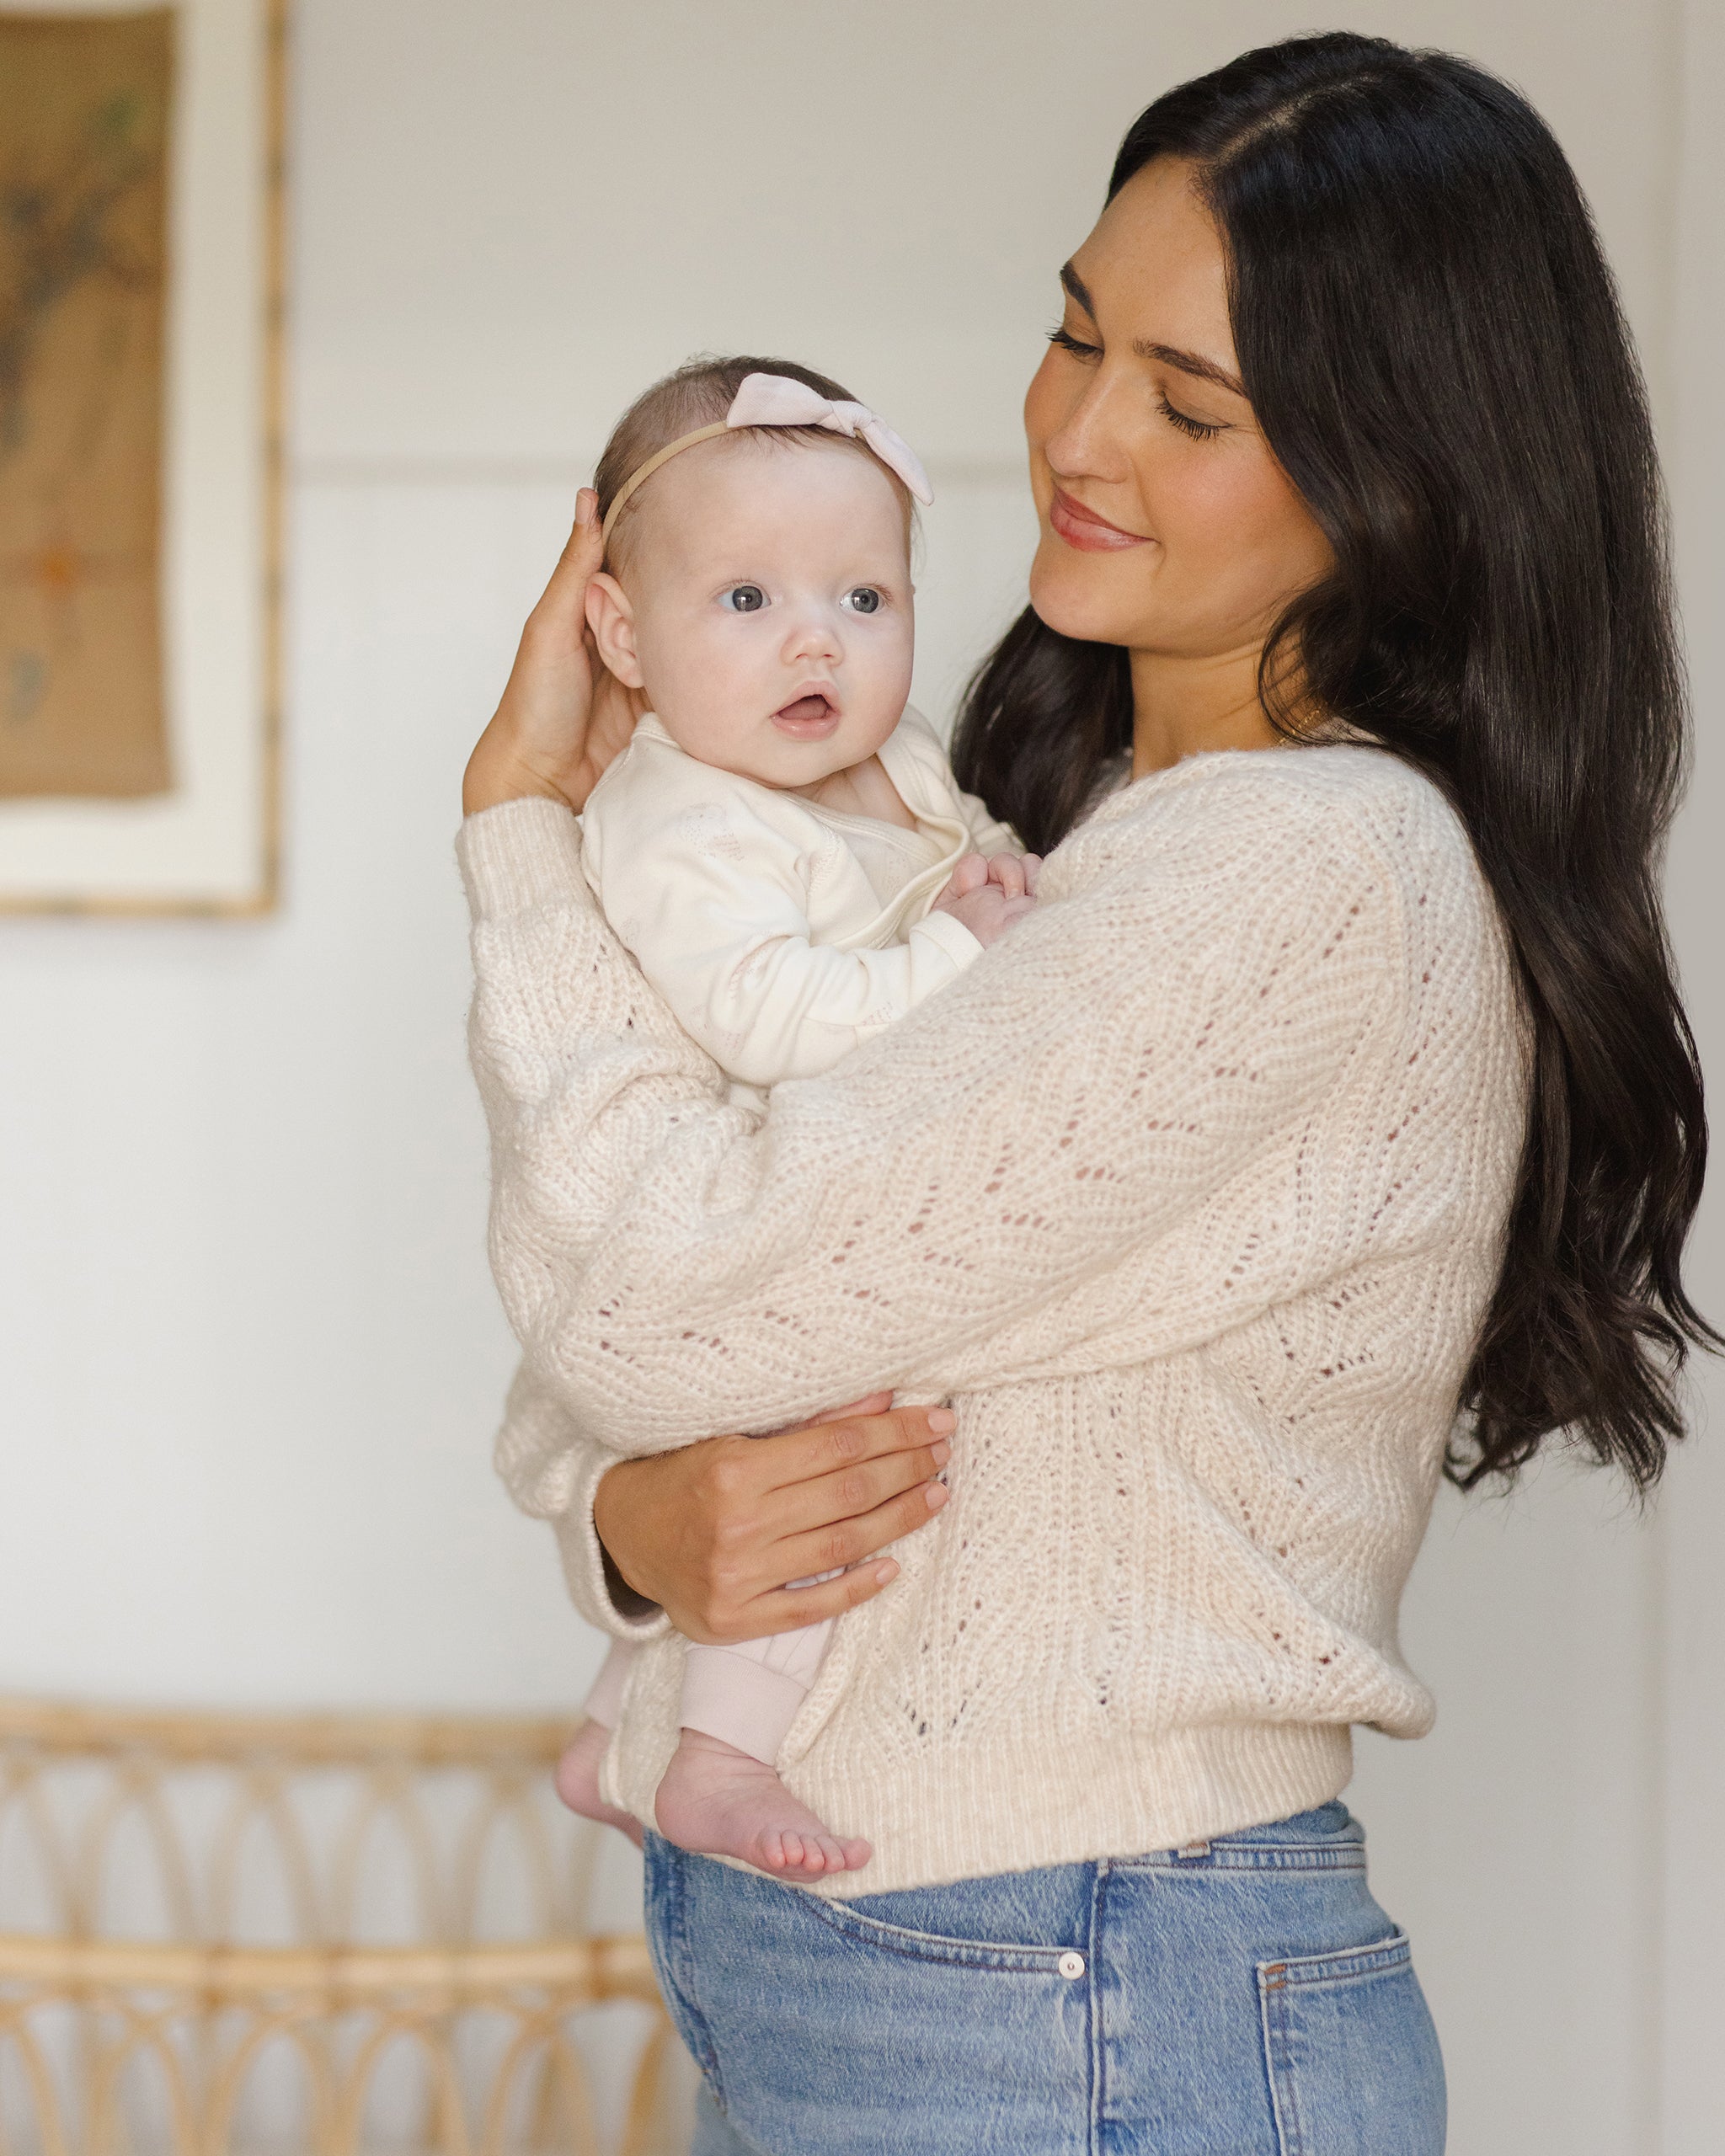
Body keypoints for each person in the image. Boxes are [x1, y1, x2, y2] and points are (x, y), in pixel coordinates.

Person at [458, 32, 1713, 2153]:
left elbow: (648, 1296)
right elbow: (640, 1333)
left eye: (1190, 402)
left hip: (1070, 1989)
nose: (1077, 430)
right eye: (1071, 330)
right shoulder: (1045, 826)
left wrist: (515, 834)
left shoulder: (1291, 873)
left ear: (1397, 471)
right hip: (947, 1968)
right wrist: (628, 1523)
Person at [558, 354, 1038, 1880]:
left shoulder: (885, 765)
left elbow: (958, 872)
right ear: (623, 636)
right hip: (755, 1236)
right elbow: (767, 1018)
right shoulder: (675, 815)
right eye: (747, 602)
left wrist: (997, 895)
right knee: (825, 1476)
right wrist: (963, 952)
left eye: (864, 599)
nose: (814, 639)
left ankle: (613, 1723)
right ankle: (714, 1756)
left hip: (852, 1196)